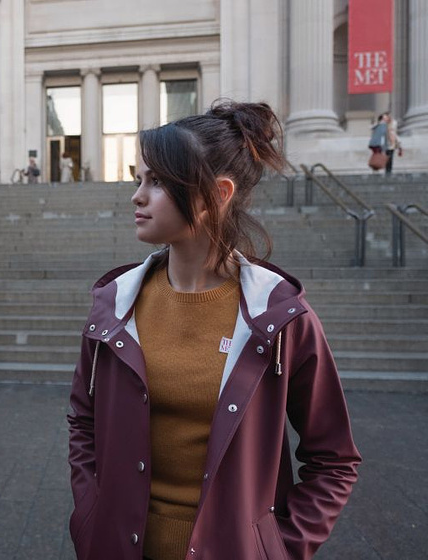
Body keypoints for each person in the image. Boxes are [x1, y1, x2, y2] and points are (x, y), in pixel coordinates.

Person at [67, 101, 360, 560]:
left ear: (217, 194)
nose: (137, 196)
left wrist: (279, 548)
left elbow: (334, 459)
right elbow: (83, 422)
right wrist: (89, 514)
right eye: (137, 178)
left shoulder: (280, 317)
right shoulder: (113, 305)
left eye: (157, 181)